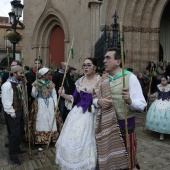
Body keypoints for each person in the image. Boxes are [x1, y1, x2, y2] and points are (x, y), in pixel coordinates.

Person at [94, 48, 146, 170]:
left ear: (118, 61)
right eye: (104, 58)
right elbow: (93, 99)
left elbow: (142, 105)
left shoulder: (129, 77)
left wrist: (129, 101)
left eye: (108, 58)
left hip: (124, 124)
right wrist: (98, 101)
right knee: (106, 157)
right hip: (105, 125)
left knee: (125, 160)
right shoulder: (102, 79)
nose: (104, 61)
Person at [55, 58, 100, 170]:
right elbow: (74, 98)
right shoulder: (79, 81)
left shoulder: (100, 80)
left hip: (93, 112)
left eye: (89, 65)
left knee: (90, 141)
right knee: (73, 140)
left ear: (95, 67)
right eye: (84, 65)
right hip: (78, 112)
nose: (86, 67)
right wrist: (64, 94)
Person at [1, 65, 27, 165]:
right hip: (13, 112)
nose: (22, 75)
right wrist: (12, 112)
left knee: (20, 131)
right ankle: (13, 156)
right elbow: (6, 101)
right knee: (14, 135)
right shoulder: (7, 85)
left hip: (19, 111)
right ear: (14, 73)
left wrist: (24, 84)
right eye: (20, 73)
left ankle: (17, 148)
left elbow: (22, 96)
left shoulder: (19, 83)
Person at [29, 68, 59, 151]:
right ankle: (41, 141)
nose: (49, 76)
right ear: (43, 75)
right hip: (40, 103)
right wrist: (35, 89)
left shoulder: (50, 83)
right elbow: (33, 95)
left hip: (49, 104)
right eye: (48, 74)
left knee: (50, 120)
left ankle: (50, 139)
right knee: (41, 120)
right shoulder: (36, 82)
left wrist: (55, 104)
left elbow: (54, 94)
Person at [146, 75, 170, 141]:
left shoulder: (169, 87)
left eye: (164, 80)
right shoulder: (159, 86)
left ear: (167, 80)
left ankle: (164, 132)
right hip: (159, 102)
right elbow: (156, 94)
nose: (162, 82)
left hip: (167, 103)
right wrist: (150, 95)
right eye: (161, 80)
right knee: (158, 117)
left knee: (165, 117)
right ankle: (160, 131)